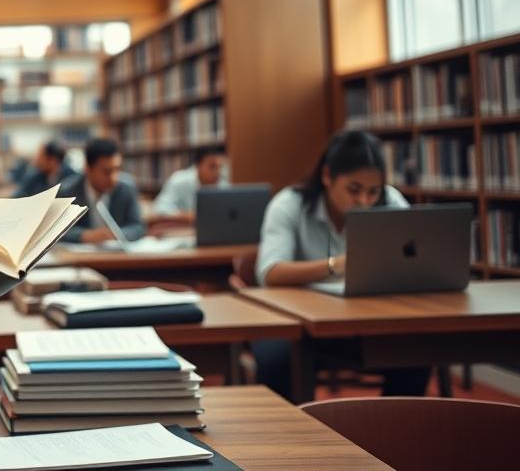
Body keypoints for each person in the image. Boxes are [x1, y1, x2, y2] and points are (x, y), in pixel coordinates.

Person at [252, 129, 428, 400]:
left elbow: (419, 257)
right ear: (326, 176)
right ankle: (295, 438)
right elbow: (270, 272)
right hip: (301, 325)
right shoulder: (290, 205)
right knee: (277, 359)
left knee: (416, 350)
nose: (364, 202)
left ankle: (393, 433)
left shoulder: (389, 201)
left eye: (373, 191)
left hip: (370, 320)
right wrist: (335, 265)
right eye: (354, 190)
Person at [59, 138, 145, 242]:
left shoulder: (127, 187)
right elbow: (57, 230)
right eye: (106, 172)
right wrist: (84, 235)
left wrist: (117, 234)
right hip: (81, 255)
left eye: (117, 169)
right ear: (88, 168)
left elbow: (138, 227)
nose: (113, 178)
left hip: (117, 254)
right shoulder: (67, 191)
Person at [149, 146, 230, 216]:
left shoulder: (223, 185)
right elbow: (160, 209)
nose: (217, 172)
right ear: (198, 166)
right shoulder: (178, 181)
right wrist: (186, 215)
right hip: (182, 230)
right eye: (212, 167)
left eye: (220, 167)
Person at [12, 140, 77, 197]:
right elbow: (18, 195)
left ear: (53, 161)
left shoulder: (72, 180)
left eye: (40, 156)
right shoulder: (35, 176)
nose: (36, 160)